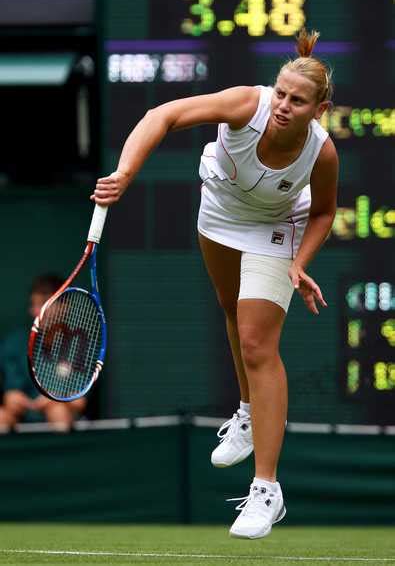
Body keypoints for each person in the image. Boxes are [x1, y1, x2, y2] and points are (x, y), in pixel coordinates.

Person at [91, 29, 338, 539]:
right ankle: (247, 412)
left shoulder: (322, 152)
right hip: (221, 211)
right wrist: (126, 172)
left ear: (320, 108)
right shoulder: (245, 104)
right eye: (283, 95)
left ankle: (265, 490)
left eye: (299, 101)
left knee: (257, 342)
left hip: (276, 226)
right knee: (230, 307)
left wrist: (299, 263)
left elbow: (326, 210)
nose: (284, 107)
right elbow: (163, 116)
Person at [0, 274, 86, 432]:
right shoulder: (14, 344)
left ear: (63, 307)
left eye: (43, 304)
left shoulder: (80, 344)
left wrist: (54, 400)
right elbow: (10, 393)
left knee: (58, 412)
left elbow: (80, 402)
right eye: (34, 305)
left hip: (61, 414)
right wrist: (12, 398)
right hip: (21, 416)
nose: (36, 312)